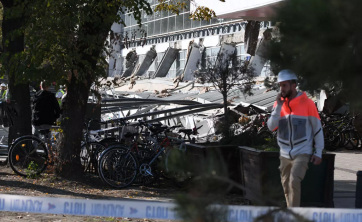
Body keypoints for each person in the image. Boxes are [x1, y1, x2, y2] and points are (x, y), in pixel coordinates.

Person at [267, 69, 324, 207]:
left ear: (294, 85)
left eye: (285, 85)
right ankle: (292, 212)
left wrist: (318, 152)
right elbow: (270, 127)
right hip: (284, 153)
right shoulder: (278, 104)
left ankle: (294, 216)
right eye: (280, 85)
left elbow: (317, 128)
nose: (282, 89)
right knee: (286, 186)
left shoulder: (308, 103)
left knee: (293, 180)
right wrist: (278, 108)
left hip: (302, 151)